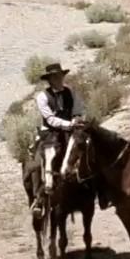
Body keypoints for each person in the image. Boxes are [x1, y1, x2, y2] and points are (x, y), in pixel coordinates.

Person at [33, 62, 84, 216]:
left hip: (69, 132)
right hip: (50, 134)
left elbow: (78, 109)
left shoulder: (71, 92)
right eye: (55, 77)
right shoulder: (42, 97)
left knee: (86, 150)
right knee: (35, 165)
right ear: (49, 79)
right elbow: (50, 119)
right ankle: (39, 198)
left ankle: (92, 190)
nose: (58, 79)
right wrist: (69, 124)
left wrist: (76, 118)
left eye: (60, 75)